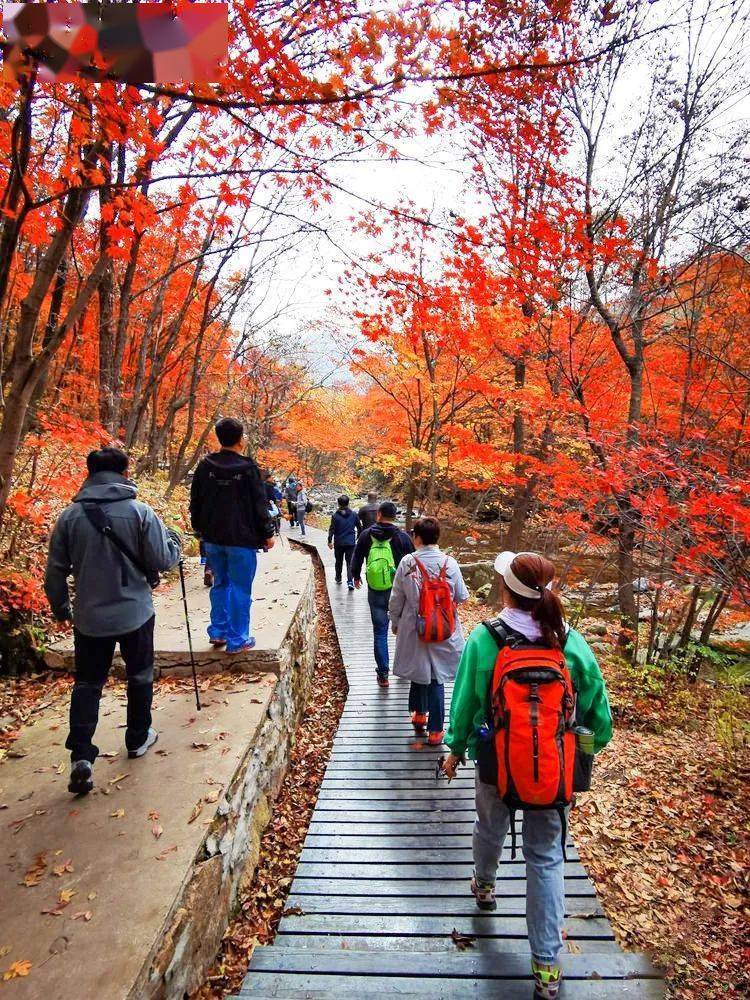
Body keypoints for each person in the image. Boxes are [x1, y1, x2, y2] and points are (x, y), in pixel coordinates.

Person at [442, 551, 613, 1000]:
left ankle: (483, 885)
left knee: (489, 825)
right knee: (546, 858)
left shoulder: (484, 639)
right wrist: (583, 746)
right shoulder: (569, 641)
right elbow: (599, 716)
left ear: (506, 590)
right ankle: (547, 966)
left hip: (495, 758)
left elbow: (463, 702)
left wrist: (455, 749)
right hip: (551, 768)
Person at [44, 447, 182, 796]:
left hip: (90, 617)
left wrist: (62, 609)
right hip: (135, 612)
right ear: (124, 473)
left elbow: (55, 572)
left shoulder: (70, 517)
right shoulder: (140, 512)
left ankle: (81, 755)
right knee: (139, 676)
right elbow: (163, 558)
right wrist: (176, 545)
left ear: (89, 473)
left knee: (88, 683)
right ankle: (137, 738)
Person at [190, 418, 275, 655]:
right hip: (242, 540)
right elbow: (259, 505)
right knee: (240, 588)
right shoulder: (248, 468)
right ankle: (238, 639)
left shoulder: (205, 466)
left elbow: (195, 501)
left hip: (213, 538)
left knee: (221, 583)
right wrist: (267, 534)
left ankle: (218, 631)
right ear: (241, 439)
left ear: (219, 437)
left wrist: (199, 529)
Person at [389, 516, 468, 744]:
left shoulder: (407, 563)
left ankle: (421, 715)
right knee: (436, 676)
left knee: (420, 669)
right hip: (443, 627)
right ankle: (435, 730)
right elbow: (462, 596)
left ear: (418, 537)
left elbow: (396, 598)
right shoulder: (449, 563)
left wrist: (394, 621)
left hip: (414, 625)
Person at [351, 501, 414, 687]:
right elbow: (413, 564)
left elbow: (357, 556)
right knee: (404, 631)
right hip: (400, 591)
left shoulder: (366, 535)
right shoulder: (402, 537)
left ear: (378, 514)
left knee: (380, 632)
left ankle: (383, 674)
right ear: (395, 517)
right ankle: (405, 668)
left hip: (376, 590)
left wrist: (355, 575)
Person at [327, 494, 360, 589]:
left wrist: (329, 541)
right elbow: (359, 527)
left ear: (338, 504)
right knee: (350, 562)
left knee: (339, 561)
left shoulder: (335, 516)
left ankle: (338, 578)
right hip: (350, 542)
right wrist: (357, 538)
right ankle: (350, 581)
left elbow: (332, 529)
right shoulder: (354, 514)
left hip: (339, 542)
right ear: (348, 503)